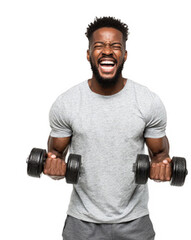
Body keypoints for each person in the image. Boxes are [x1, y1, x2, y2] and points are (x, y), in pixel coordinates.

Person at [43, 16, 174, 240]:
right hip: (81, 222)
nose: (107, 51)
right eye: (99, 46)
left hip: (134, 222)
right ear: (88, 54)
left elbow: (160, 156)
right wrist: (53, 167)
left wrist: (163, 168)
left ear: (124, 55)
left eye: (115, 46)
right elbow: (55, 156)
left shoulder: (147, 102)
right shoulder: (67, 103)